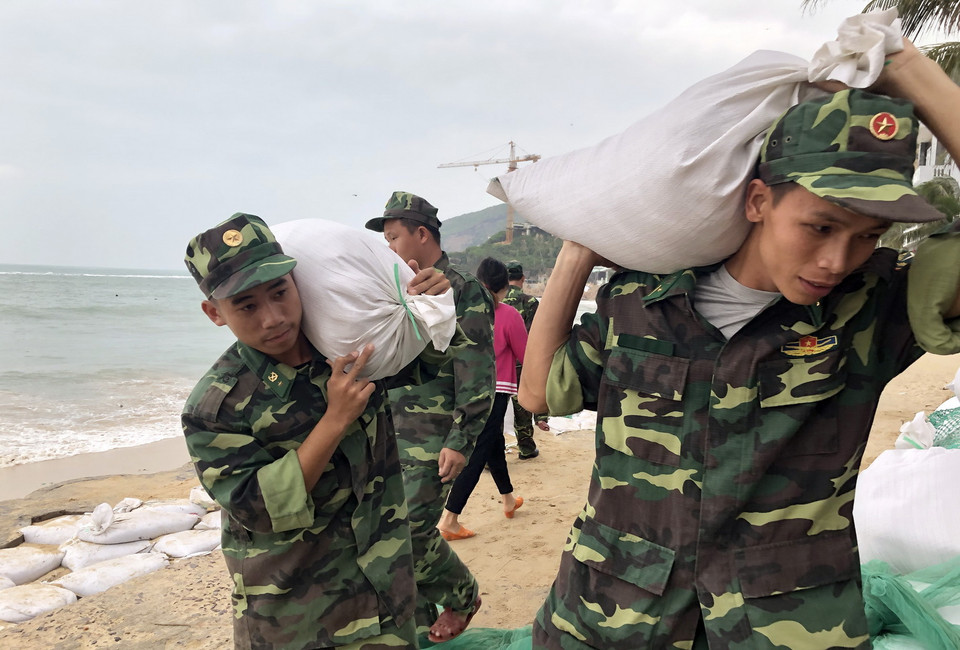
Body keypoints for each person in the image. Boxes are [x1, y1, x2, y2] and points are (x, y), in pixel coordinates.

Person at [519, 40, 960, 649]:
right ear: (758, 200)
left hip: (789, 627)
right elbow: (540, 392)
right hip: (609, 617)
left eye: (868, 235)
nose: (837, 260)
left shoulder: (870, 311)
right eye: (820, 225)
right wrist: (578, 248)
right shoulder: (643, 302)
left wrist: (913, 72)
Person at [181, 213, 454, 649]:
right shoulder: (217, 407)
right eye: (247, 306)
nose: (273, 318)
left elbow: (429, 364)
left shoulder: (346, 350)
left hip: (388, 601)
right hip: (299, 621)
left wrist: (432, 306)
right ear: (215, 313)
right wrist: (334, 420)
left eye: (280, 293)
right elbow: (259, 509)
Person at [365, 191, 494, 643]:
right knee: (390, 539)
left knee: (416, 535)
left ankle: (462, 594)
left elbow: (477, 370)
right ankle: (417, 624)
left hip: (433, 434)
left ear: (422, 234)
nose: (389, 247)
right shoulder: (395, 288)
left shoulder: (463, 289)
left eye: (394, 236)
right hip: (388, 430)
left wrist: (461, 439)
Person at [438, 257, 526, 540]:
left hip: (462, 389)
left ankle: (508, 499)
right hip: (496, 390)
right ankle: (450, 518)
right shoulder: (509, 314)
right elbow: (526, 355)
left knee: (493, 444)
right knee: (478, 452)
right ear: (502, 289)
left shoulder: (459, 309)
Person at [503, 260, 549, 459]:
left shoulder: (494, 301)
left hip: (498, 363)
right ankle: (526, 448)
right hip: (521, 363)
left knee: (494, 409)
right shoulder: (529, 302)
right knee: (521, 406)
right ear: (522, 278)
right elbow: (536, 336)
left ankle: (491, 454)